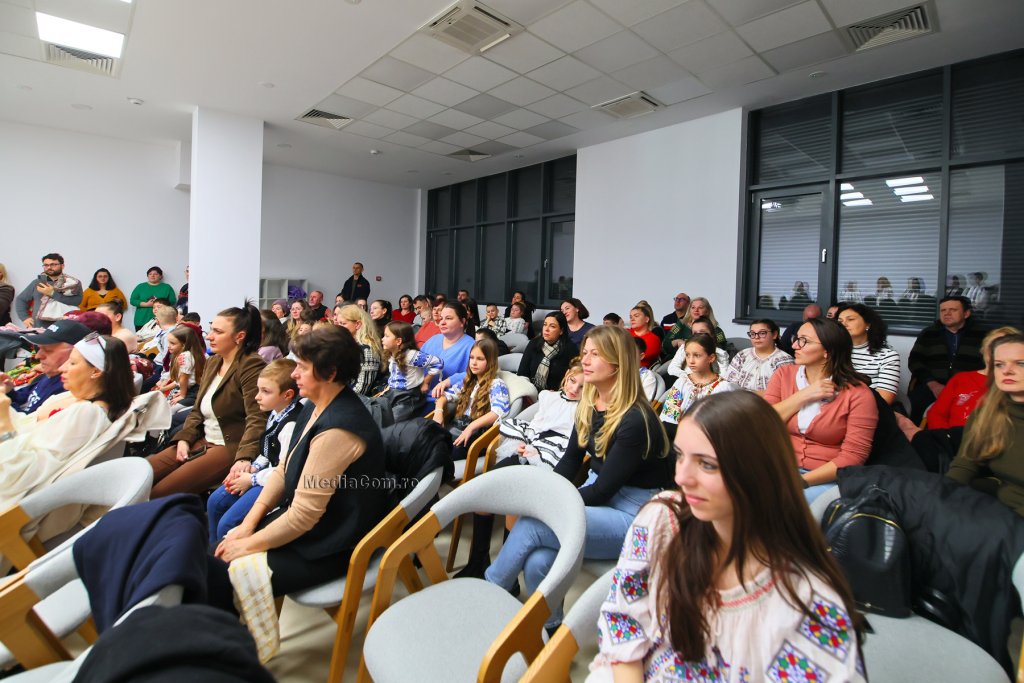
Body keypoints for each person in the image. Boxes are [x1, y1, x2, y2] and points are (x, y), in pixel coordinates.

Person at [589, 391, 865, 682]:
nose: (681, 478)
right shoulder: (663, 519)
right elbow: (624, 619)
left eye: (707, 464)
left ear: (757, 473)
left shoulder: (807, 605)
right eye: (680, 456)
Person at [485, 326, 671, 629]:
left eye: (595, 354)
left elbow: (603, 491)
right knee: (538, 562)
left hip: (633, 514)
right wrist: (550, 491)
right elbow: (571, 460)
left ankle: (487, 592)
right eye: (585, 352)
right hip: (598, 493)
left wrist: (545, 503)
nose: (584, 359)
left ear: (617, 364)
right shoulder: (591, 403)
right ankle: (550, 629)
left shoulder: (635, 419)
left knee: (534, 523)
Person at [214, 326, 389, 597]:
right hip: (313, 526)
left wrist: (246, 545)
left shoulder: (338, 430)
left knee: (220, 575)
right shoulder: (314, 406)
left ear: (330, 373)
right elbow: (284, 468)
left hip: (331, 544)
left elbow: (304, 517)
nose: (294, 374)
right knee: (217, 553)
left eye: (302, 367)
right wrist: (248, 525)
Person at [455, 360, 584, 580]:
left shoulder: (585, 410)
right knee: (483, 494)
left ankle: (508, 574)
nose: (574, 389)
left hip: (552, 459)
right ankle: (478, 560)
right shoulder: (549, 397)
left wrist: (538, 452)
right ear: (565, 377)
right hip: (528, 447)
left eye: (582, 387)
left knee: (513, 505)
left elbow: (572, 448)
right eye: (572, 381)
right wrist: (525, 443)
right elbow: (536, 425)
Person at [0, 333, 135, 510]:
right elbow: (26, 428)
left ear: (96, 371)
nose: (63, 368)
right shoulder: (77, 400)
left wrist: (4, 422)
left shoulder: (87, 414)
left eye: (72, 363)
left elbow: (18, 476)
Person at [147, 303, 267, 498]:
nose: (209, 336)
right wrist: (185, 438)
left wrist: (244, 457)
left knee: (157, 493)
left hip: (228, 446)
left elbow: (257, 417)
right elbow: (197, 409)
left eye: (218, 332)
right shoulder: (214, 361)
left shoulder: (251, 366)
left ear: (239, 336)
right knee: (141, 475)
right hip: (202, 438)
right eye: (211, 329)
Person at [764, 317, 878, 503]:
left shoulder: (858, 394)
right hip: (778, 467)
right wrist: (804, 395)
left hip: (824, 477)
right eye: (796, 338)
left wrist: (801, 481)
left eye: (804, 341)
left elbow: (854, 456)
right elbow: (763, 424)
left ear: (828, 351)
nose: (794, 346)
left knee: (786, 504)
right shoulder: (783, 375)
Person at [206, 359, 302, 544]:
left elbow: (285, 470)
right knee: (215, 502)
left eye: (265, 391)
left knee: (228, 523)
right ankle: (212, 548)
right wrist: (253, 467)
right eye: (258, 390)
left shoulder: (290, 425)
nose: (257, 397)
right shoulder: (275, 412)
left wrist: (252, 479)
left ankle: (226, 554)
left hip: (274, 483)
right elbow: (268, 451)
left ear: (287, 394)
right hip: (263, 474)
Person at [947, 333, 1024, 516]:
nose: (1007, 371)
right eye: (999, 364)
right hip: (1004, 510)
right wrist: (939, 499)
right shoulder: (987, 414)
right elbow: (965, 466)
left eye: (1020, 363)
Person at [907, 295, 987, 423]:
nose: (947, 313)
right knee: (916, 404)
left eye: (953, 310)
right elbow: (915, 361)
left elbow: (988, 365)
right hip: (933, 384)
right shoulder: (929, 333)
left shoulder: (982, 335)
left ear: (966, 314)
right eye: (943, 310)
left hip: (969, 387)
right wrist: (932, 384)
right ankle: (917, 434)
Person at [927, 326, 1020, 429]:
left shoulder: (1015, 383)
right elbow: (936, 414)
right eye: (993, 345)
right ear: (984, 350)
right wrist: (946, 436)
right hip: (951, 436)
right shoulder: (961, 379)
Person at [433, 337, 509, 461]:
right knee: (426, 441)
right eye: (471, 358)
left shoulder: (496, 384)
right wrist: (439, 411)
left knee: (440, 453)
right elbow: (445, 396)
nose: (474, 363)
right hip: (457, 427)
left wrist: (471, 427)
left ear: (491, 361)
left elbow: (497, 412)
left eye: (480, 359)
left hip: (476, 435)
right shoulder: (469, 381)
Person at [0, 319, 91, 414]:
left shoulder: (69, 390)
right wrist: (7, 390)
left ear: (75, 353)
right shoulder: (50, 376)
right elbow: (23, 397)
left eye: (48, 350)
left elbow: (29, 421)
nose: (38, 356)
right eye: (39, 349)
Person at [659, 335, 737, 440]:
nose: (691, 361)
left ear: (711, 358)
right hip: (677, 436)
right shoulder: (682, 382)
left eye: (697, 355)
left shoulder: (723, 388)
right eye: (687, 355)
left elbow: (723, 424)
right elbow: (669, 415)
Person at [836, 303, 902, 405]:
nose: (844, 324)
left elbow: (884, 400)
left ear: (868, 324)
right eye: (840, 321)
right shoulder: (831, 351)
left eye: (850, 319)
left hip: (868, 408)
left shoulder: (887, 356)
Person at [380, 321, 442, 421]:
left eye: (386, 336)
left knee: (389, 420)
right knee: (376, 412)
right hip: (393, 393)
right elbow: (395, 375)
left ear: (398, 341)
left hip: (408, 397)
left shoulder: (411, 356)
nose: (382, 339)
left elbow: (438, 363)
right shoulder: (393, 353)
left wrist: (426, 382)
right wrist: (388, 387)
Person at [423, 302, 476, 406]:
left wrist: (450, 380)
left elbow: (477, 374)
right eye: (441, 318)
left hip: (443, 402)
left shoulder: (472, 346)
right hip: (418, 394)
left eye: (448, 318)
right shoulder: (433, 339)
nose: (442, 322)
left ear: (462, 322)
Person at [722, 319, 794, 394]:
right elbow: (729, 382)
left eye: (762, 333)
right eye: (752, 334)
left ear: (774, 335)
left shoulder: (784, 361)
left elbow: (783, 391)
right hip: (737, 398)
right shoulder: (742, 355)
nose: (756, 337)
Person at [15, 253, 83, 327]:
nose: (49, 267)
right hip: (39, 327)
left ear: (62, 266)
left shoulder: (72, 283)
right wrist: (25, 318)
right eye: (46, 265)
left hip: (65, 326)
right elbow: (21, 299)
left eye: (53, 264)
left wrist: (52, 293)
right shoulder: (37, 282)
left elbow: (77, 301)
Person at [517, 312, 579, 391]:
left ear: (561, 331)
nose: (546, 329)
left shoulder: (570, 349)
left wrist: (559, 392)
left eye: (552, 326)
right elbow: (522, 373)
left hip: (557, 394)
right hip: (531, 391)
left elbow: (574, 379)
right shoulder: (534, 344)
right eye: (545, 325)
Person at [334, 304, 383, 395]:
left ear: (357, 324)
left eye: (343, 324)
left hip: (356, 400)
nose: (339, 327)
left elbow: (362, 388)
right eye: (339, 323)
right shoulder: (345, 345)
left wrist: (335, 399)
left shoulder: (368, 350)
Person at [153, 324, 206, 408]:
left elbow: (184, 379)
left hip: (192, 391)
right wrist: (163, 388)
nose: (168, 346)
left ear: (184, 344)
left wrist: (182, 395)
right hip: (185, 389)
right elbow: (178, 380)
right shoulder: (178, 354)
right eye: (168, 342)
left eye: (172, 343)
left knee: (169, 409)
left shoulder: (185, 356)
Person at [130, 266, 177, 330]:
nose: (152, 276)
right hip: (142, 320)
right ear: (147, 276)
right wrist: (146, 304)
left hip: (161, 320)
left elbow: (172, 301)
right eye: (150, 274)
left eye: (155, 274)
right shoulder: (140, 287)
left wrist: (159, 303)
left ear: (161, 276)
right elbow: (132, 300)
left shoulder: (167, 287)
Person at [629, 302, 660, 369]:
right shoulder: (625, 333)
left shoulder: (653, 339)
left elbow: (633, 356)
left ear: (646, 319)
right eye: (630, 317)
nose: (632, 319)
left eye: (636, 316)